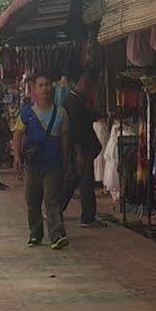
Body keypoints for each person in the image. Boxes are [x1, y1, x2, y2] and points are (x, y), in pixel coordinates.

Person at [13, 71, 69, 250]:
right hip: (32, 164)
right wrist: (16, 156)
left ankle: (57, 235)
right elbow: (18, 135)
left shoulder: (61, 113)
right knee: (32, 199)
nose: (45, 88)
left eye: (47, 85)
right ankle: (35, 233)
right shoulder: (26, 113)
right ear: (34, 90)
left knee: (52, 200)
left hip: (53, 164)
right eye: (41, 85)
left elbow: (65, 139)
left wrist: (66, 161)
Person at [64, 77, 104, 227]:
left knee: (75, 178)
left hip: (84, 147)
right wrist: (79, 152)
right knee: (83, 180)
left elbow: (86, 120)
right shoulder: (73, 102)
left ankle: (57, 208)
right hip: (81, 148)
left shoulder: (77, 100)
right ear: (84, 85)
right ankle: (87, 217)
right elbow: (74, 130)